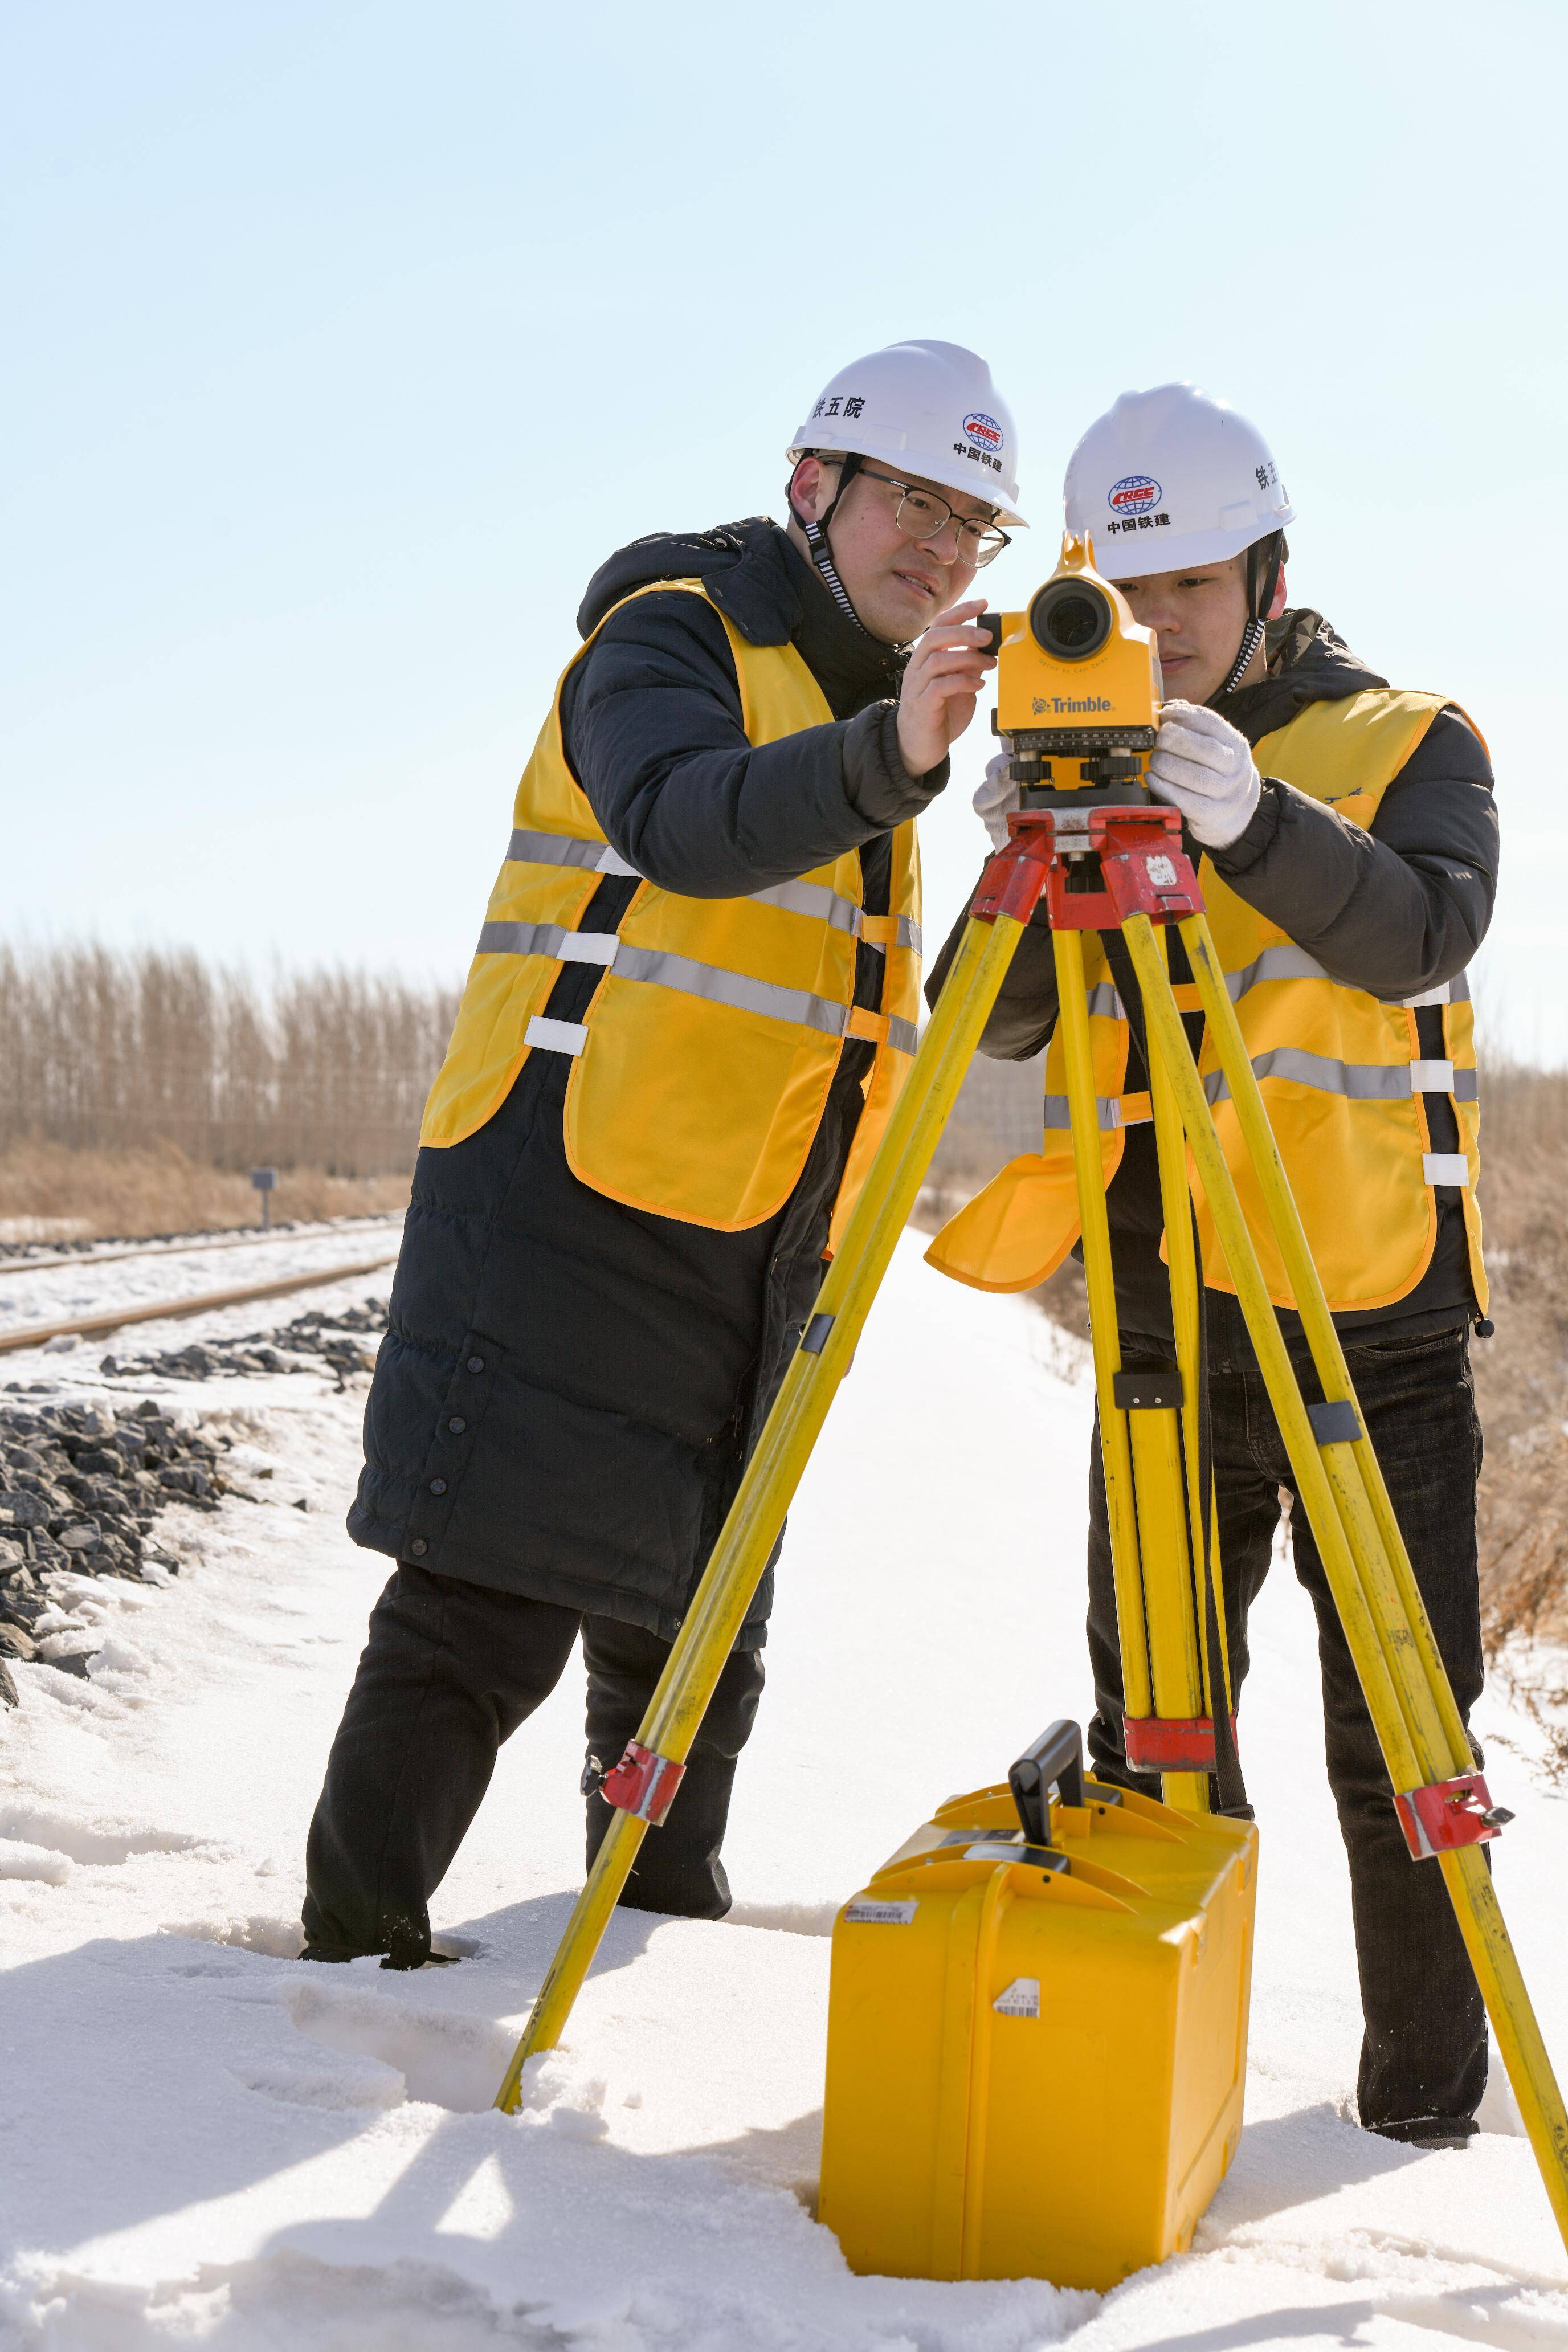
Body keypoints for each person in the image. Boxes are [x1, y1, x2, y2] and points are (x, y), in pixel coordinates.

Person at [301, 340, 1024, 1966]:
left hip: (755, 1228)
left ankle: (657, 1939)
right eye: (912, 502)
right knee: (487, 1603)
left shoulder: (866, 711)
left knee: (699, 1622)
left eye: (973, 523)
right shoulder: (671, 632)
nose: (942, 550)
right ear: (813, 486)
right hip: (568, 1192)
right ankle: (350, 1959)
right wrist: (896, 758)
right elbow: (683, 817)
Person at [928, 383, 1498, 2149]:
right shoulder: (1086, 751)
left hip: (1370, 1323)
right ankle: (1169, 2110)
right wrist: (1028, 843)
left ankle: (1420, 2118)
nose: (1161, 626)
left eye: (1192, 585)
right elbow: (990, 1022)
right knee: (1162, 1741)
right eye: (1129, 590)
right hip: (1162, 1324)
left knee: (1402, 1747)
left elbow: (1424, 932)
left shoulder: (1412, 740)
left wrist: (1255, 820)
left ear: (1268, 578)